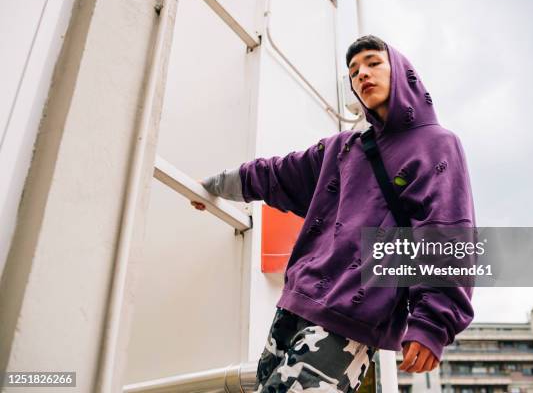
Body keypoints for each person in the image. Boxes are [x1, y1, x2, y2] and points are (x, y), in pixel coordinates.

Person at [191, 35, 476, 392]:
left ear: (403, 73)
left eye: (373, 63)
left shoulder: (436, 143)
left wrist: (434, 322)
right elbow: (275, 174)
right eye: (354, 71)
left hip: (353, 315)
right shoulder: (344, 147)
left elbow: (446, 232)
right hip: (295, 302)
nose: (362, 75)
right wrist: (213, 187)